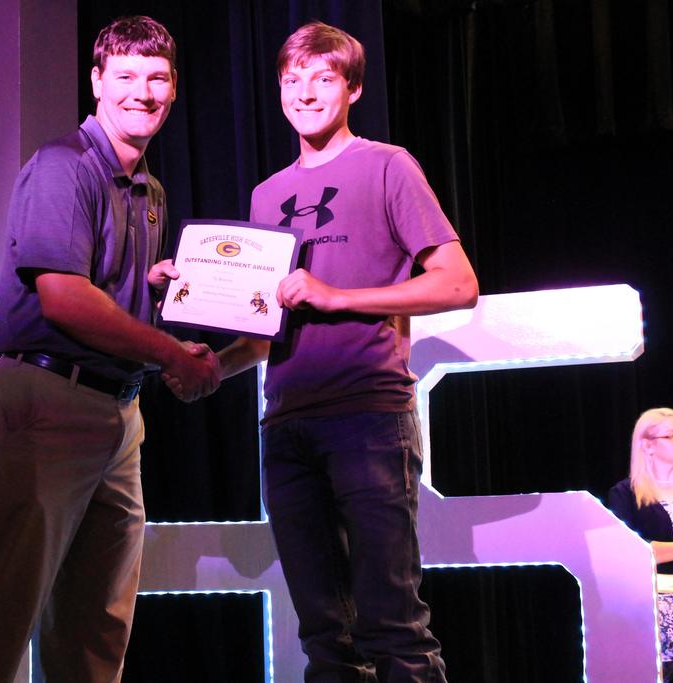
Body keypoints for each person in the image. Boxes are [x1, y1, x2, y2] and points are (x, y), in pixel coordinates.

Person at [0, 16, 220, 683]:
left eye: (157, 78)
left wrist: (152, 291)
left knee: (98, 619)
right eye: (126, 75)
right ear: (96, 81)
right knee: (5, 606)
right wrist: (172, 354)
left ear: (175, 88)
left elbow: (102, 296)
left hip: (118, 411)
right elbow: (63, 298)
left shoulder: (149, 191)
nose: (143, 92)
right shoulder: (65, 166)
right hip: (52, 399)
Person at [210, 21, 478, 683]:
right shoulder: (266, 194)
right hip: (287, 425)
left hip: (368, 416)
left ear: (352, 88)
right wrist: (209, 361)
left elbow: (458, 283)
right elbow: (264, 326)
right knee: (327, 638)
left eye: (322, 78)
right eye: (292, 79)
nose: (305, 92)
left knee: (394, 627)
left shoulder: (388, 165)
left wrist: (338, 297)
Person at [608, 407, 673, 678]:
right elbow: (627, 551)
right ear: (647, 446)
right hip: (653, 605)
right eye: (671, 436)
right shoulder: (625, 494)